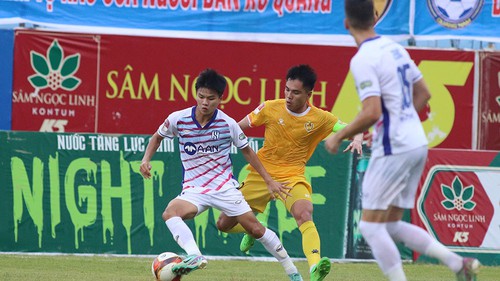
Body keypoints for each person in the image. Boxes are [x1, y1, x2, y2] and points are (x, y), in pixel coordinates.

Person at [324, 1, 481, 281]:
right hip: (416, 143)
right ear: (375, 17)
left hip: (395, 147)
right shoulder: (395, 48)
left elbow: (371, 111)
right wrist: (396, 122)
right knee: (392, 224)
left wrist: (338, 136)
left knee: (372, 228)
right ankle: (458, 264)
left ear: (346, 23)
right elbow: (424, 93)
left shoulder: (363, 58)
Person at [140, 68, 304, 281]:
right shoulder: (178, 119)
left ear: (220, 99)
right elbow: (157, 137)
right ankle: (195, 256)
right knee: (170, 213)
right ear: (195, 94)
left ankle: (293, 272)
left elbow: (248, 152)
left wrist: (269, 181)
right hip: (194, 188)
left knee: (255, 229)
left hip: (224, 187)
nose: (205, 102)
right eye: (201, 97)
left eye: (211, 98)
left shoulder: (228, 124)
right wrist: (145, 159)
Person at [216, 64, 363, 281]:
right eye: (286, 90)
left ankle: (315, 267)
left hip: (292, 177)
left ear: (308, 94)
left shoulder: (320, 118)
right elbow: (237, 128)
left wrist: (358, 138)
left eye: (295, 92)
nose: (288, 96)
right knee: (223, 224)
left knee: (304, 214)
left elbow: (353, 128)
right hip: (260, 174)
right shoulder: (269, 108)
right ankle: (253, 229)